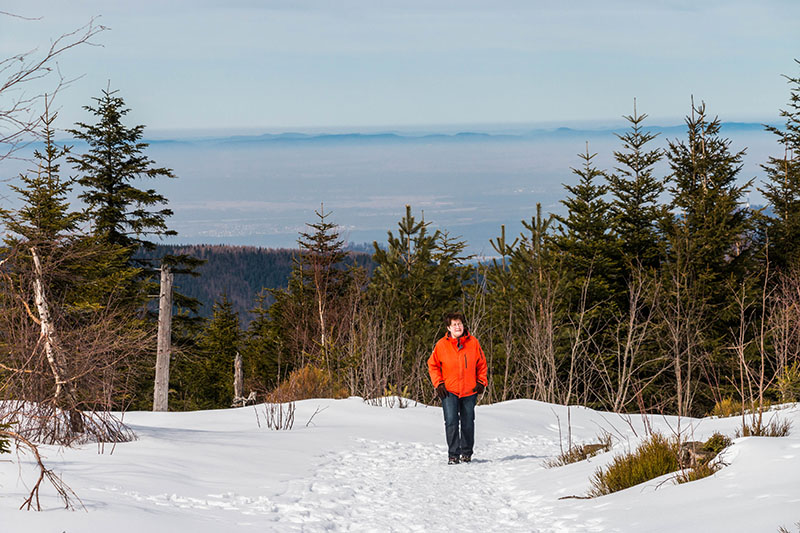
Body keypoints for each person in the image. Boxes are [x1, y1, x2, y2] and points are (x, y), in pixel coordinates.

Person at [427, 312, 488, 464]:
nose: (458, 327)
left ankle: (466, 453)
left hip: (469, 390)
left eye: (459, 324)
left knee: (468, 422)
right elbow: (432, 365)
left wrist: (481, 382)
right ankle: (453, 455)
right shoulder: (441, 345)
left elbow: (482, 364)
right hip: (449, 390)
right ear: (449, 328)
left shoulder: (473, 342)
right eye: (454, 324)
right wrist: (438, 384)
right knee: (451, 422)